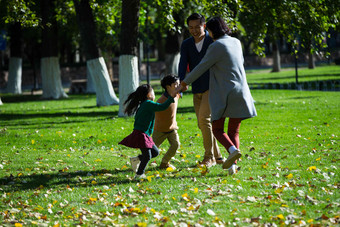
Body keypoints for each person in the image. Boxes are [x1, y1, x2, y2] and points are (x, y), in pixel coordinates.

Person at [177, 16, 257, 175]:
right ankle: (232, 167)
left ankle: (232, 151)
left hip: (225, 93)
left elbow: (201, 67)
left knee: (217, 128)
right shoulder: (236, 42)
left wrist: (183, 83)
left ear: (211, 30)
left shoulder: (216, 45)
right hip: (242, 92)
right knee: (233, 131)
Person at [178, 13, 224, 168]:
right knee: (203, 124)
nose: (194, 30)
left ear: (204, 26)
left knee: (204, 120)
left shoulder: (212, 41)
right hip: (196, 87)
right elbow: (182, 65)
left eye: (197, 27)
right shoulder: (186, 44)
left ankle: (208, 157)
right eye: (191, 27)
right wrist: (180, 86)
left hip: (212, 87)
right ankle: (218, 157)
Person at [119, 84, 176, 180]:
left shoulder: (144, 104)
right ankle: (139, 174)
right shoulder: (148, 104)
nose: (154, 94)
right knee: (147, 156)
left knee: (155, 152)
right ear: (149, 95)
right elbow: (162, 107)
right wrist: (171, 98)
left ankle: (136, 159)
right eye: (153, 92)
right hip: (141, 134)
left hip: (144, 134)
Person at [153, 74, 181, 170]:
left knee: (176, 145)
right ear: (168, 87)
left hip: (172, 129)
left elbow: (182, 89)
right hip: (160, 130)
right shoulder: (161, 101)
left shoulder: (176, 95)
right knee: (151, 150)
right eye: (176, 84)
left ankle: (165, 162)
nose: (178, 86)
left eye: (179, 84)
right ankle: (138, 160)